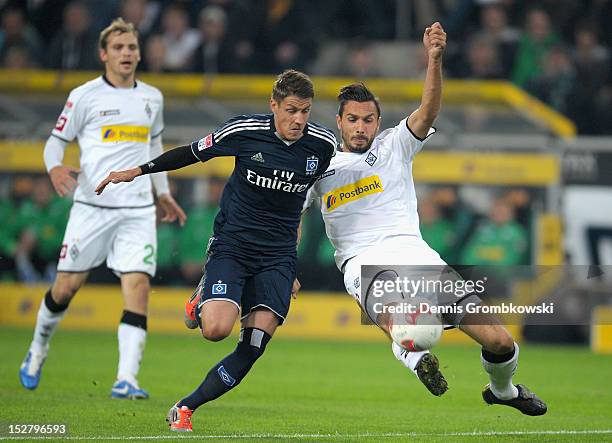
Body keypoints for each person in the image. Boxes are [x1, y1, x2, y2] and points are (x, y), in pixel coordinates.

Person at [303, 22, 547, 416]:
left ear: (378, 122)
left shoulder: (395, 145)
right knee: (406, 329)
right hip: (363, 263)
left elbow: (429, 109)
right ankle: (419, 362)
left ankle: (503, 391)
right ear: (340, 121)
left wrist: (434, 60)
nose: (361, 127)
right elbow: (287, 218)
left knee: (500, 341)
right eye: (353, 119)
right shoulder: (318, 167)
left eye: (368, 120)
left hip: (419, 258)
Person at [95, 69, 337, 432]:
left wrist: (291, 268)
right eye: (290, 110)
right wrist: (139, 171)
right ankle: (204, 295)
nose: (298, 120)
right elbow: (192, 153)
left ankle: (185, 407)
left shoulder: (323, 145)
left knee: (253, 347)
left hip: (278, 257)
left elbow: (303, 201)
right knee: (215, 330)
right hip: (233, 247)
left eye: (305, 111)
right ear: (273, 105)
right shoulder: (243, 132)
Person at [18, 18, 186, 400]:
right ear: (103, 54)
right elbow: (54, 143)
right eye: (119, 48)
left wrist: (162, 192)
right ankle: (38, 347)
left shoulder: (152, 98)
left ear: (140, 53)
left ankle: (126, 379)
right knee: (65, 288)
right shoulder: (84, 96)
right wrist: (55, 167)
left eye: (132, 47)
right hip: (92, 207)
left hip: (138, 209)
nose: (126, 54)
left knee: (138, 286)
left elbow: (154, 149)